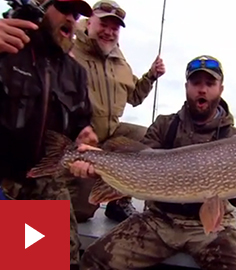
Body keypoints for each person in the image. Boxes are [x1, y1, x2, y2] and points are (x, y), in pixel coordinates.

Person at [74, 55, 236, 270]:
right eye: (196, 83)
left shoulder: (235, 139)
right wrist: (100, 168)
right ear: (187, 86)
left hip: (212, 229)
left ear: (221, 89)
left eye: (210, 83)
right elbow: (138, 163)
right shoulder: (164, 125)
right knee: (95, 259)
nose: (202, 89)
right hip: (159, 221)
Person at [0, 0, 98, 269]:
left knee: (57, 260)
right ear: (41, 8)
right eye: (64, 8)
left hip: (39, 180)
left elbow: (81, 123)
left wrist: (84, 137)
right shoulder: (6, 46)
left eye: (76, 14)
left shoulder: (75, 72)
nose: (71, 18)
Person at [67, 0, 166, 223]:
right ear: (89, 21)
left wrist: (151, 76)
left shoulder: (120, 61)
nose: (109, 32)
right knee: (80, 212)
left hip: (111, 136)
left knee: (149, 136)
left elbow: (135, 97)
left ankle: (119, 201)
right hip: (79, 137)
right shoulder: (70, 50)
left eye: (115, 28)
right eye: (104, 24)